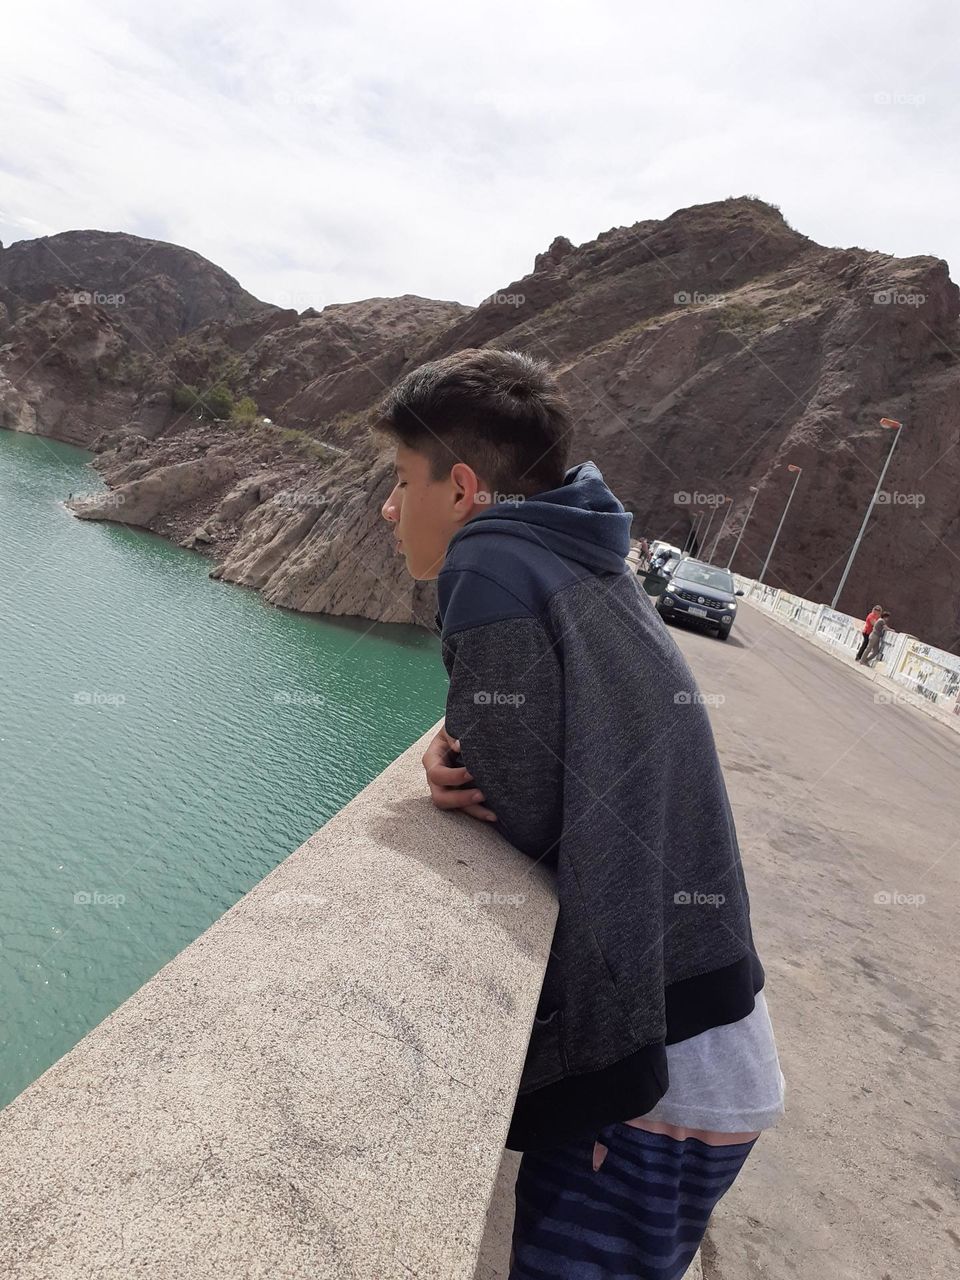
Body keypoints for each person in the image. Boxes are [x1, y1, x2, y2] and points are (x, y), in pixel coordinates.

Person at [376, 348, 785, 1280]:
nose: (390, 508)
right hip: (717, 1033)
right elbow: (552, 742)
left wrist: (465, 760)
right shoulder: (580, 547)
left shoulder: (486, 567)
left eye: (404, 481)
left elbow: (514, 799)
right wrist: (461, 744)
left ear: (464, 487)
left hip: (657, 1074)